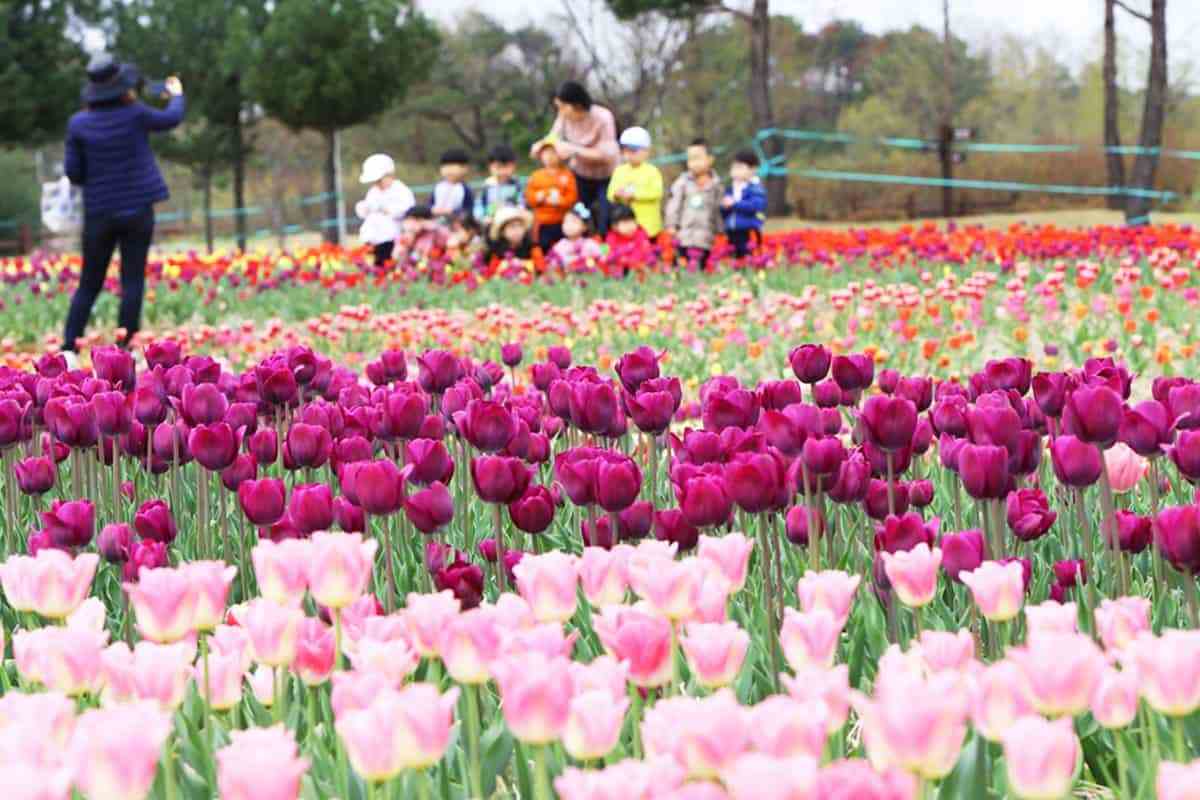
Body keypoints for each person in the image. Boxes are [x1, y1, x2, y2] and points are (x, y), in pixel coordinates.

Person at [61, 54, 185, 354]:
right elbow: (171, 118)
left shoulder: (78, 124)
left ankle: (69, 347)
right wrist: (177, 95)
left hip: (99, 214)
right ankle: (125, 346)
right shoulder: (136, 114)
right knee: (132, 280)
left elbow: (74, 173)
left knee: (89, 282)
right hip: (138, 210)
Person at [538, 81, 619, 235]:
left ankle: (605, 247)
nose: (559, 111)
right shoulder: (563, 117)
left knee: (605, 216)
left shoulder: (602, 117)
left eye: (562, 106)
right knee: (578, 216)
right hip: (580, 175)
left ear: (576, 104)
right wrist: (542, 145)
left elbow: (607, 155)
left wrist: (574, 150)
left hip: (607, 175)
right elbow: (553, 136)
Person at [665, 138, 724, 270]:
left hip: (706, 238)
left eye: (698, 158)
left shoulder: (716, 185)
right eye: (690, 159)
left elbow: (718, 210)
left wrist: (721, 231)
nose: (694, 163)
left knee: (702, 269)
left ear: (710, 159)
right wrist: (672, 225)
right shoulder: (683, 182)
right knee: (681, 267)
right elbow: (674, 204)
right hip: (684, 236)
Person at [355, 153, 415, 267]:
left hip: (392, 235)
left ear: (390, 175)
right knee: (372, 259)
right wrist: (365, 208)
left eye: (379, 180)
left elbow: (408, 210)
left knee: (387, 260)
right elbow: (367, 208)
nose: (377, 184)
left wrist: (388, 210)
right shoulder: (373, 191)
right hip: (373, 234)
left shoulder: (401, 190)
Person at [607, 126, 663, 240]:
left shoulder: (652, 171)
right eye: (625, 151)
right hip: (624, 226)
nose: (628, 155)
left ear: (646, 151)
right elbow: (610, 193)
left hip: (647, 226)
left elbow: (657, 192)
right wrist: (617, 194)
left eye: (633, 151)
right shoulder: (620, 170)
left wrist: (635, 195)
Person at [525, 137, 578, 252]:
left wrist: (560, 201)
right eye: (545, 153)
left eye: (553, 153)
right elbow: (529, 197)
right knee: (543, 246)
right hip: (542, 222)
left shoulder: (567, 175)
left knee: (563, 246)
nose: (549, 156)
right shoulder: (536, 176)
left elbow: (572, 197)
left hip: (561, 220)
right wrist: (537, 197)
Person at [722, 150, 768, 259]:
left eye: (740, 167)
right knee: (733, 258)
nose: (735, 171)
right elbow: (724, 212)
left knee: (750, 257)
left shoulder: (755, 189)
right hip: (732, 230)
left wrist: (735, 204)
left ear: (753, 169)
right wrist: (724, 207)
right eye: (733, 168)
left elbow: (756, 206)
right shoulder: (730, 190)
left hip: (749, 230)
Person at [474, 144, 523, 227]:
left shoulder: (515, 184)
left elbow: (520, 202)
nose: (503, 172)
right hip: (492, 222)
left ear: (513, 166)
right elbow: (480, 206)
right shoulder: (487, 186)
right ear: (490, 167)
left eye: (506, 167)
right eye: (498, 167)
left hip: (511, 221)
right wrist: (483, 217)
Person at [549, 203, 603, 271]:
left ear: (584, 226)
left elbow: (601, 259)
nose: (569, 225)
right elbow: (553, 263)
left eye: (574, 222)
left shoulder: (590, 244)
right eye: (566, 222)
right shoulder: (560, 245)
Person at [605, 203, 653, 276]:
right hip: (621, 265)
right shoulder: (612, 236)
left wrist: (633, 261)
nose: (630, 226)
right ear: (614, 226)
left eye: (632, 221)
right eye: (625, 223)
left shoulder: (640, 233)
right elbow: (611, 254)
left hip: (639, 264)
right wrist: (627, 250)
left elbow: (645, 250)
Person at [430, 149, 473, 221]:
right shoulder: (438, 187)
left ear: (465, 168)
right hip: (437, 222)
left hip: (457, 224)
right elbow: (430, 203)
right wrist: (432, 209)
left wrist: (453, 212)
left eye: (452, 166)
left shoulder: (465, 189)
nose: (448, 170)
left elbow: (468, 209)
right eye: (445, 166)